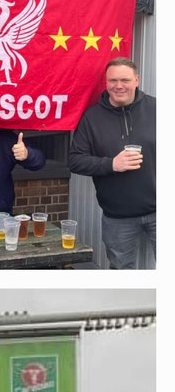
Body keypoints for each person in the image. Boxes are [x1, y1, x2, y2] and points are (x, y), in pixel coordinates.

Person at [68, 58, 155, 268]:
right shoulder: (91, 117)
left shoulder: (158, 108)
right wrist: (111, 165)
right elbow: (75, 160)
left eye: (124, 80)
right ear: (106, 82)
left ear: (137, 80)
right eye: (112, 80)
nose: (119, 85)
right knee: (121, 274)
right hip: (117, 217)